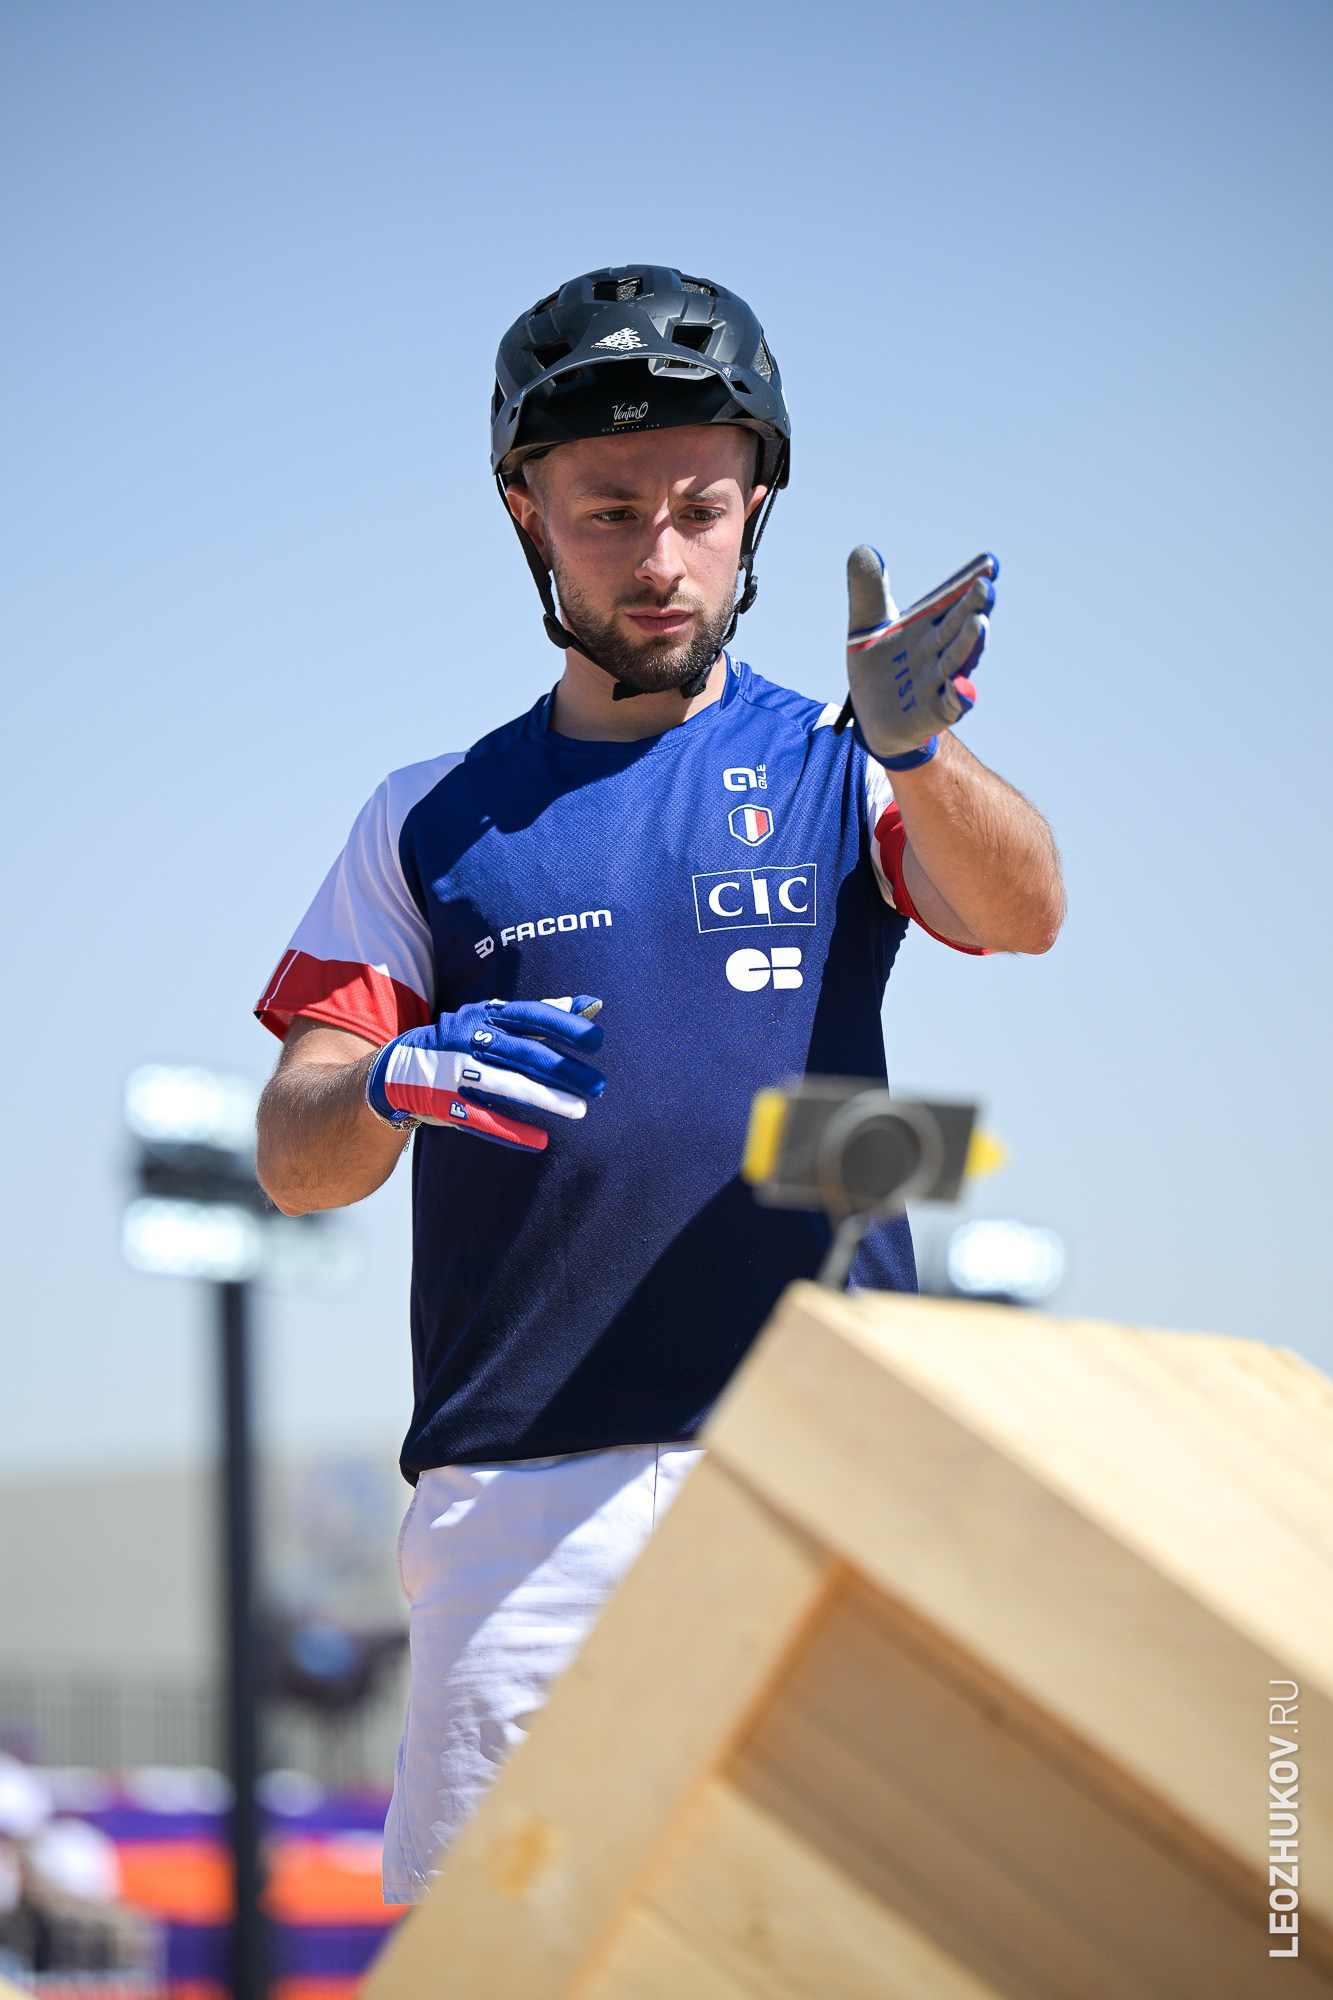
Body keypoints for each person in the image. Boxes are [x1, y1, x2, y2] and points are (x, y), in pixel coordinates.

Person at [253, 264, 1064, 1901]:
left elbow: (1022, 911)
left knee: (829, 1936)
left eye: (699, 503)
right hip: (517, 1510)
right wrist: (394, 1079)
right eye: (608, 509)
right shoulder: (428, 816)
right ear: (524, 515)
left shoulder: (843, 762)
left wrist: (914, 750)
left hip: (817, 1471)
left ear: (756, 504)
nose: (660, 552)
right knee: (515, 1949)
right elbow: (295, 1151)